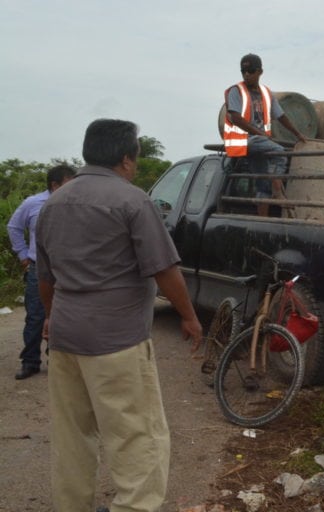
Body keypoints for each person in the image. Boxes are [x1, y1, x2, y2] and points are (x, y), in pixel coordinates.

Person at [35, 119, 203, 512]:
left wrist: (51, 316)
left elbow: (45, 279)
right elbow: (164, 270)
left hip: (65, 338)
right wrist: (189, 316)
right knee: (136, 437)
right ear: (127, 159)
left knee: (72, 436)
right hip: (117, 342)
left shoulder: (54, 202)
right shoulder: (132, 200)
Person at [6, 164, 75, 380]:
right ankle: (30, 362)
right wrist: (23, 255)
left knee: (65, 316)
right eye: (68, 182)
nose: (73, 187)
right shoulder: (33, 203)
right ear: (55, 185)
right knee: (36, 316)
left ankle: (56, 360)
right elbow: (14, 227)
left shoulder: (75, 204)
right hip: (39, 268)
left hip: (68, 270)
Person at [223, 53, 307, 216]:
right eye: (243, 71)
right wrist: (259, 133)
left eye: (251, 71)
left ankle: (263, 219)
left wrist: (297, 134)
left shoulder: (266, 94)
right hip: (241, 140)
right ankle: (278, 191)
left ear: (260, 72)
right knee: (280, 153)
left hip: (259, 143)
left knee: (262, 185)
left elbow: (281, 116)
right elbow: (236, 118)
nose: (246, 74)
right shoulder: (236, 91)